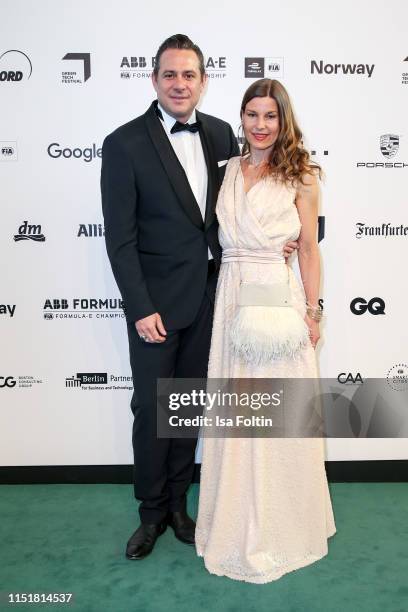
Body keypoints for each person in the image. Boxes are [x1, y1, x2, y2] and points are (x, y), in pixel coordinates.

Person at [101, 35, 296, 561]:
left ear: (203, 81)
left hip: (213, 300)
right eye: (170, 75)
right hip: (155, 308)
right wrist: (140, 307)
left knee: (186, 409)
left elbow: (239, 207)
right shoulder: (124, 144)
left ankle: (179, 506)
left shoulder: (220, 134)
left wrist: (285, 235)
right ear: (154, 80)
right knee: (151, 408)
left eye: (189, 75)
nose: (180, 84)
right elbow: (118, 238)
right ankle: (150, 513)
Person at [195, 79, 336, 583]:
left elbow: (309, 249)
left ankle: (283, 526)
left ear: (284, 120)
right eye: (252, 114)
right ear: (241, 118)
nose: (260, 125)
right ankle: (235, 520)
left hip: (277, 303)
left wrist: (313, 313)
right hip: (233, 298)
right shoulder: (226, 171)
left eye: (270, 116)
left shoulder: (303, 176)